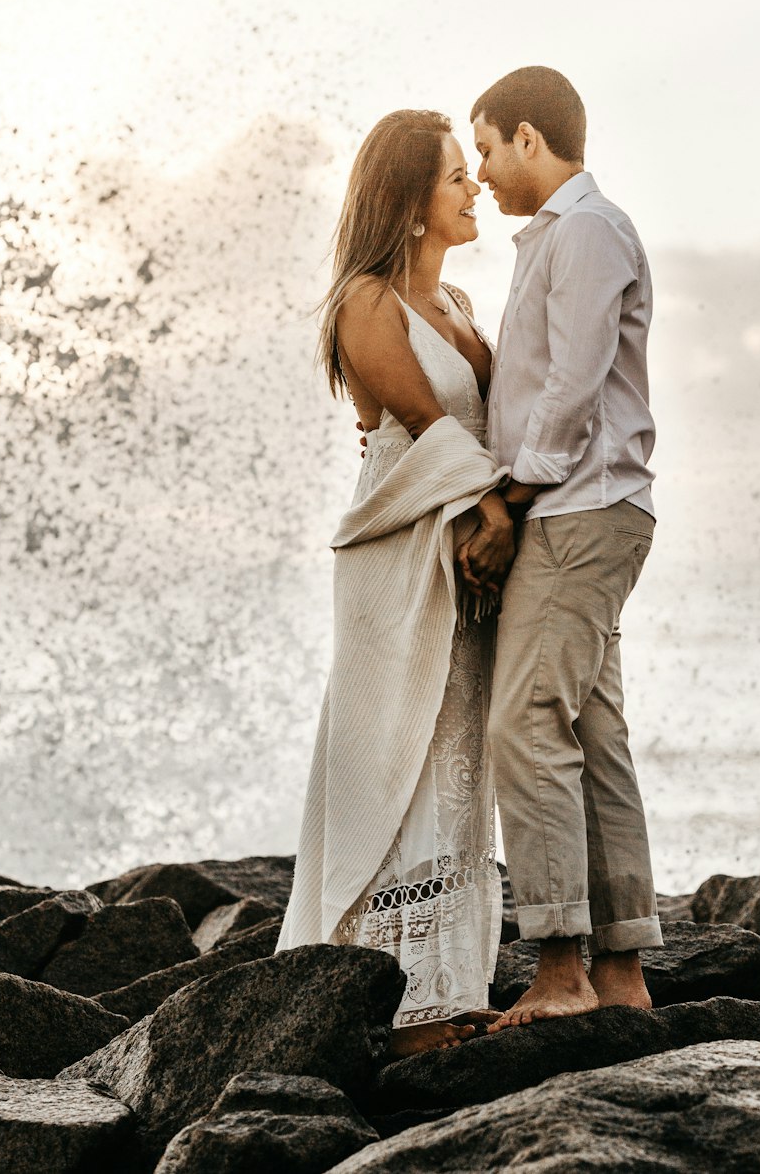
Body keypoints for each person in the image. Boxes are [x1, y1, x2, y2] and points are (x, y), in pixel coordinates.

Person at [276, 108, 516, 1058]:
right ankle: (395, 997)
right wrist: (489, 508)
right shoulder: (366, 302)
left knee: (459, 759)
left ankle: (449, 986)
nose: (472, 191)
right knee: (394, 751)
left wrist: (503, 510)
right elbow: (427, 431)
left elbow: (490, 427)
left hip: (465, 552)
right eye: (455, 177)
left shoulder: (456, 308)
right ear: (412, 204)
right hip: (402, 551)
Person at [461, 66, 663, 1028]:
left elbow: (574, 385)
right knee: (590, 732)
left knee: (524, 725)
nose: (485, 171)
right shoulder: (564, 235)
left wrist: (510, 498)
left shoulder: (586, 229)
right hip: (585, 507)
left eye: (490, 147)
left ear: (531, 138)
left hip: (577, 510)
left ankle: (558, 968)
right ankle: (621, 973)